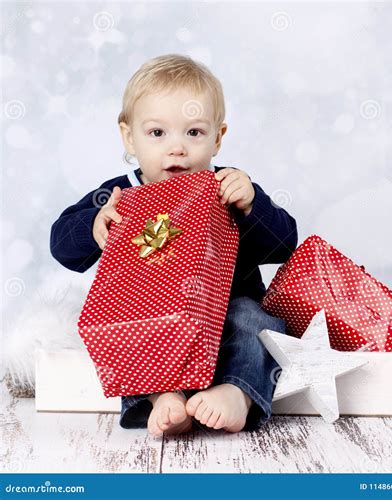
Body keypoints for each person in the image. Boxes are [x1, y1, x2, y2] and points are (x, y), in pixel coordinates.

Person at [50, 54, 298, 436]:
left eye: (194, 133)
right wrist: (94, 225)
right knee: (127, 336)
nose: (177, 148)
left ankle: (238, 392)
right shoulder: (121, 193)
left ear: (218, 137)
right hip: (150, 319)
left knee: (255, 322)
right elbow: (61, 245)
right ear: (129, 136)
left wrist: (253, 205)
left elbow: (285, 243)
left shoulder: (228, 187)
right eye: (157, 133)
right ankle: (163, 398)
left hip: (225, 320)